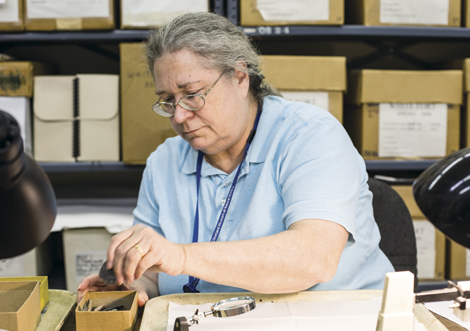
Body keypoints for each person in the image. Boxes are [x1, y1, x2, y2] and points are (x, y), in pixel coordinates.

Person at [77, 12, 394, 306]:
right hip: (212, 329)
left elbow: (314, 260)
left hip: (337, 324)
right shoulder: (164, 163)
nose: (181, 115)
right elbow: (152, 273)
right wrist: (130, 285)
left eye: (193, 94)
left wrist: (181, 256)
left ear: (240, 77)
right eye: (168, 101)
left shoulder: (310, 135)